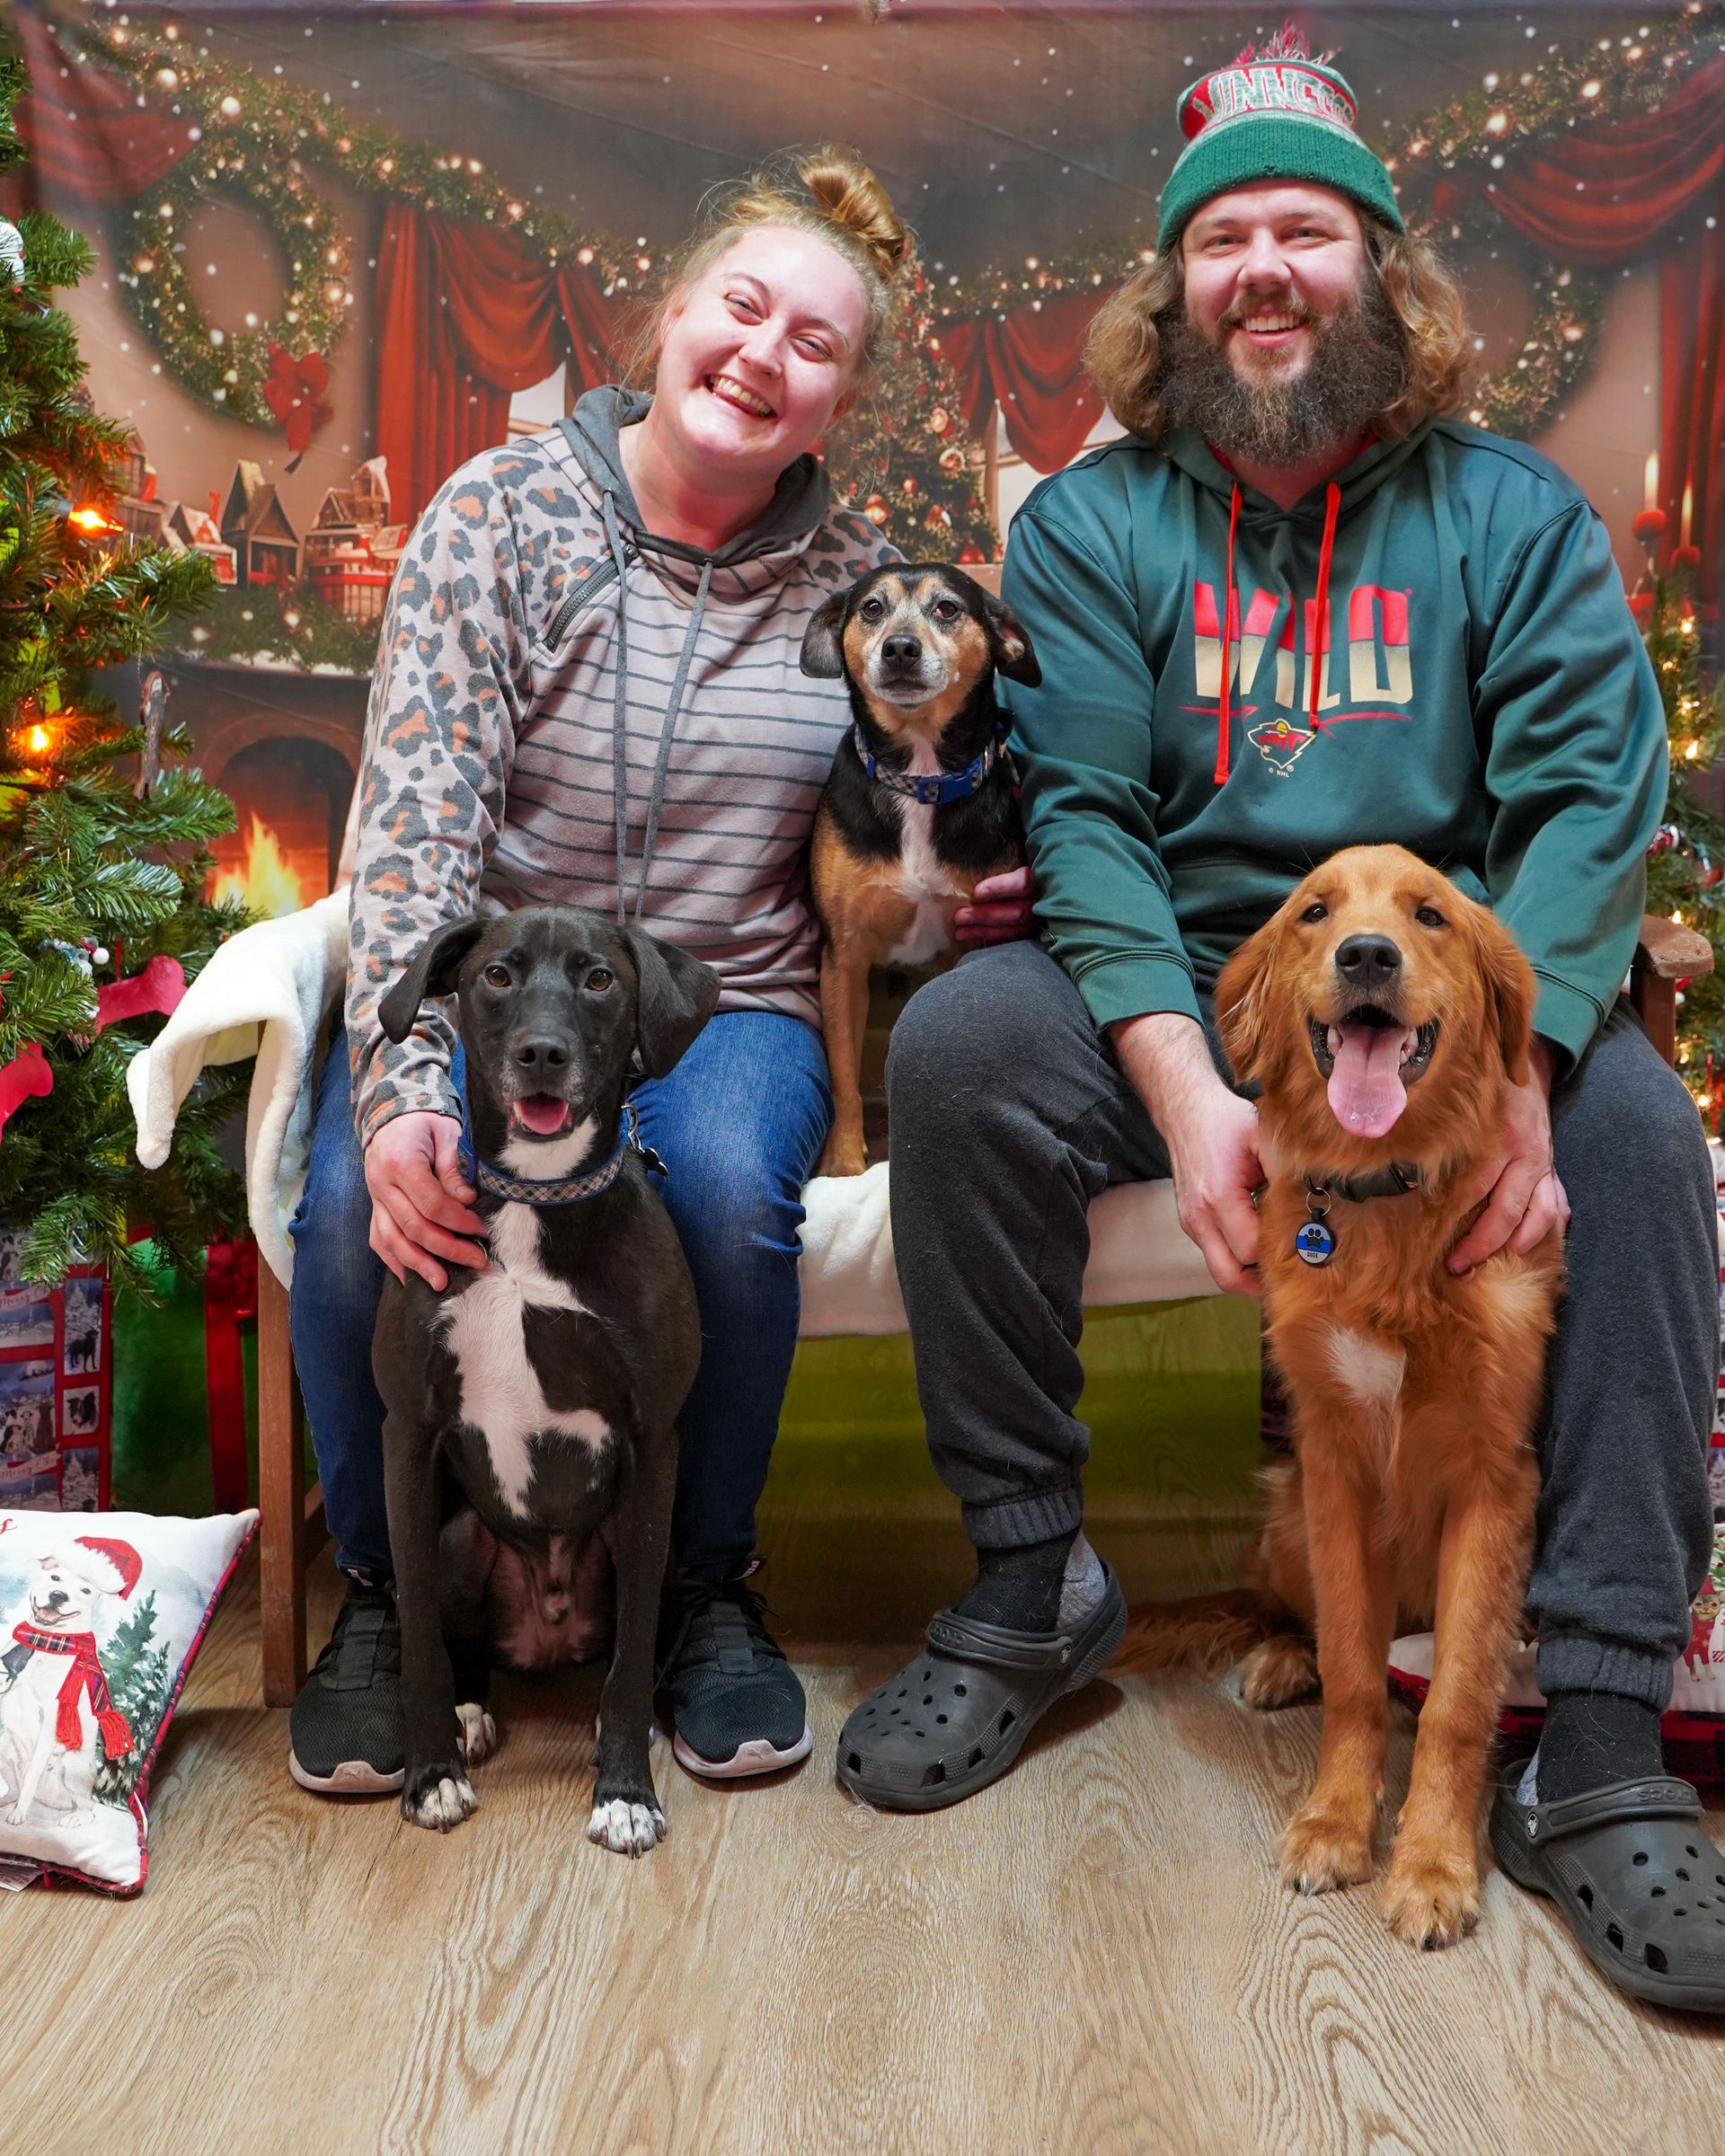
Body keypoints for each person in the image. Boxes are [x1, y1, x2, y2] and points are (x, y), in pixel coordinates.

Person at [842, 33, 1725, 2008]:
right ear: (1173, 289)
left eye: (1303, 231)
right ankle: (1026, 1585)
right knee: (970, 1057)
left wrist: (1532, 1077)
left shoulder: (1505, 515)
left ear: (1379, 275)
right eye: (1220, 236)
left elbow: (1594, 789)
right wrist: (1180, 1081)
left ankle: (1590, 1740)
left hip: (1460, 987)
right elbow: (1080, 814)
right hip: (1199, 968)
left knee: (1652, 1158)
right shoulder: (1091, 529)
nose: (1260, 267)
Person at [288, 146, 1032, 1796]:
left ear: (836, 407)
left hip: (729, 1006)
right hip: (496, 1006)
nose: (767, 357)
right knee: (357, 1208)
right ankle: (387, 1606)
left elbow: (961, 755)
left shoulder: (855, 596)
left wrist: (1002, 868)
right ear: (671, 316)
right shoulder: (499, 517)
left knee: (710, 1188)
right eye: (744, 310)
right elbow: (411, 834)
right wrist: (413, 1086)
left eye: (815, 347)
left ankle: (702, 1590)